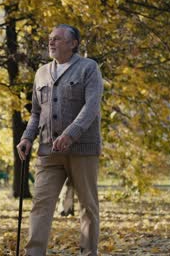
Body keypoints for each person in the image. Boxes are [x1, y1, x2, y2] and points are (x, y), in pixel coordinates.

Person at [16, 24, 103, 256]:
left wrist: (70, 134)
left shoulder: (89, 68)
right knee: (40, 206)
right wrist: (27, 137)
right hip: (48, 151)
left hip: (83, 150)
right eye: (49, 38)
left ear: (73, 43)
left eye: (57, 38)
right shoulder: (41, 73)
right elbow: (36, 112)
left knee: (88, 207)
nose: (51, 42)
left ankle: (88, 253)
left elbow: (92, 106)